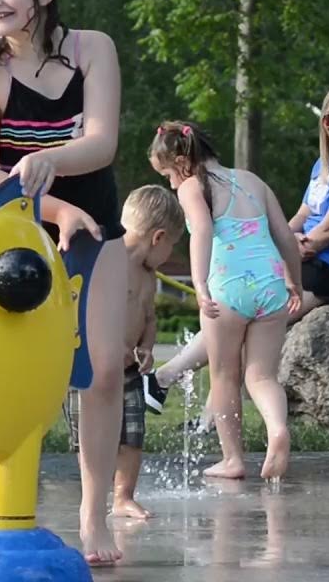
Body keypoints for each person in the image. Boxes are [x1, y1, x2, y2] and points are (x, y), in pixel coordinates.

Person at [0, 0, 127, 565]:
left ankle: (93, 512)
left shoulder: (93, 50)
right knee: (23, 369)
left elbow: (103, 143)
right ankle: (4, 501)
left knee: (103, 369)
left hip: (98, 226)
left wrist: (47, 161)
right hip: (17, 230)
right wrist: (52, 206)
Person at [145, 84, 329, 414]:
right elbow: (302, 217)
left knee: (241, 316)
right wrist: (275, 241)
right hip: (313, 260)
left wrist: (283, 249)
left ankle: (167, 379)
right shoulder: (326, 164)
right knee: (239, 315)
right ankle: (199, 413)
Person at [150, 121, 302, 480]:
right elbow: (285, 236)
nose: (171, 184)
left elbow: (201, 232)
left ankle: (233, 460)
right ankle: (277, 429)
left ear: (182, 162)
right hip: (270, 285)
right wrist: (293, 281)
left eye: (168, 174)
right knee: (262, 376)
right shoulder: (252, 181)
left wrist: (200, 285)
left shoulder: (191, 186)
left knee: (224, 376)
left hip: (227, 289)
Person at [112, 185, 185, 519]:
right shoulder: (106, 260)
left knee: (132, 435)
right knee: (94, 439)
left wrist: (147, 346)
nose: (169, 254)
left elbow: (149, 316)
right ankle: (96, 493)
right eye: (172, 245)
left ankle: (123, 497)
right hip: (96, 366)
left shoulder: (147, 273)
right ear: (158, 238)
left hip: (129, 370)